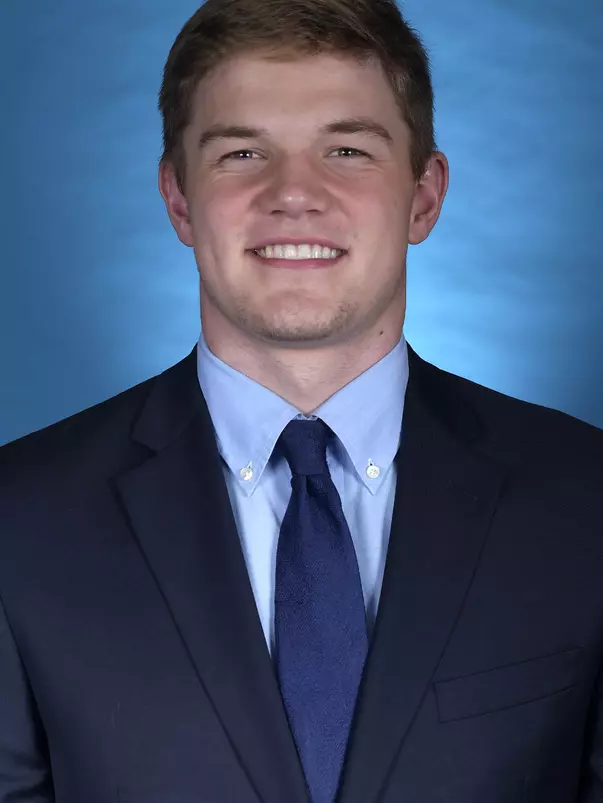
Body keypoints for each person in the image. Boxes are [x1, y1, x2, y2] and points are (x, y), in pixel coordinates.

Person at [1, 0, 602, 800]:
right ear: (179, 199)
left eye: (347, 149)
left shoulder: (585, 499)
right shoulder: (19, 518)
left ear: (423, 198)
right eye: (242, 151)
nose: (293, 194)